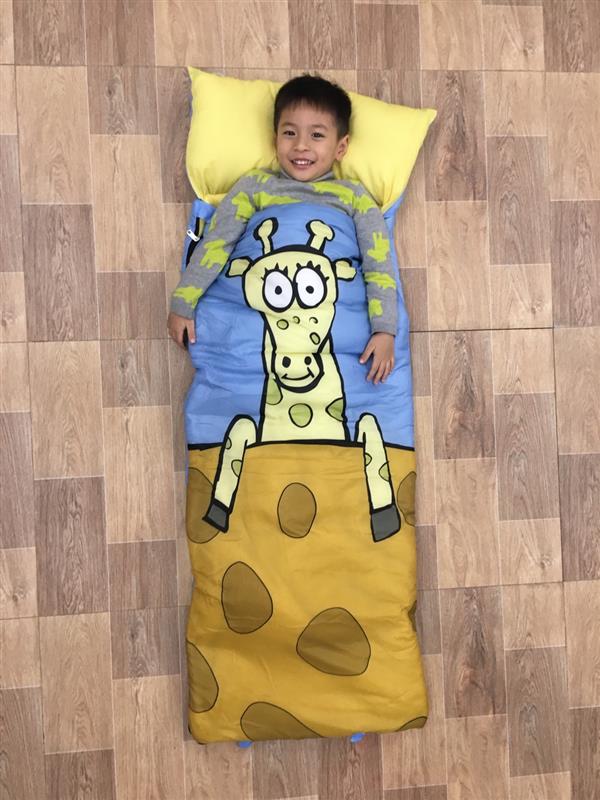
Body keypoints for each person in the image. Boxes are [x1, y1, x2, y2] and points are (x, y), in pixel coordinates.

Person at [168, 74, 398, 384]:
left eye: (317, 135)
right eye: (289, 133)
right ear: (275, 138)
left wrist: (384, 330)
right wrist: (184, 301)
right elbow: (216, 244)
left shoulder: (355, 198)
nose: (301, 146)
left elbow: (379, 266)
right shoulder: (254, 187)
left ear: (341, 147)